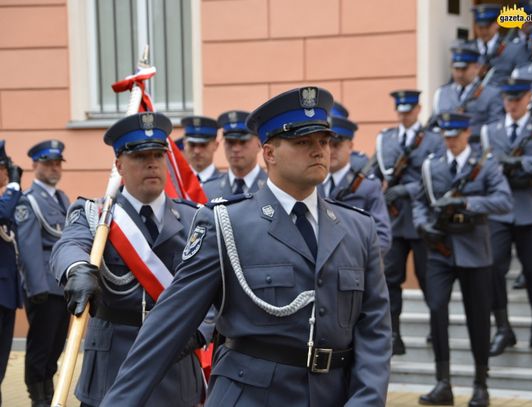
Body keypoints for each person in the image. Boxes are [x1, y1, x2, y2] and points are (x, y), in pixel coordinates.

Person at [101, 87, 392, 407]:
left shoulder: (357, 228)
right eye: (302, 142)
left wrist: (365, 401)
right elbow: (166, 329)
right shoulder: (225, 223)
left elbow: (374, 332)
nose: (319, 150)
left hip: (334, 395)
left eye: (323, 141)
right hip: (251, 396)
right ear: (269, 153)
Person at [50, 112, 206, 406]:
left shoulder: (195, 218)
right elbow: (68, 246)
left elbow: (217, 286)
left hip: (175, 359)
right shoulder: (95, 214)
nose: (151, 163)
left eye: (158, 155)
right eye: (140, 156)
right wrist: (77, 269)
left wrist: (198, 332)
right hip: (113, 365)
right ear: (119, 165)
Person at [413, 112, 512, 406]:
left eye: (455, 135)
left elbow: (504, 200)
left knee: (478, 318)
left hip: (474, 250)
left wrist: (468, 202)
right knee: (436, 309)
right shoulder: (432, 165)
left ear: (467, 132)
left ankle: (481, 384)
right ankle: (443, 383)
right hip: (439, 249)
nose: (451, 141)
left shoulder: (485, 164)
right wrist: (421, 225)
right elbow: (419, 200)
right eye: (446, 136)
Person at [375, 90, 444, 355]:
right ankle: (394, 334)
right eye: (401, 111)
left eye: (409, 110)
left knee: (429, 278)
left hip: (421, 218)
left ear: (418, 110)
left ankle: (435, 328)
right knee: (391, 279)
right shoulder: (387, 139)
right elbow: (377, 172)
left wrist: (407, 190)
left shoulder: (433, 140)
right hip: (394, 220)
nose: (405, 115)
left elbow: (436, 179)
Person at [481, 78, 532, 355]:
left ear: (528, 97)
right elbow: (486, 165)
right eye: (508, 99)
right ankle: (503, 327)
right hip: (501, 210)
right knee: (493, 269)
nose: (512, 104)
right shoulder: (490, 130)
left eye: (518, 99)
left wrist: (523, 163)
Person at [14, 140, 70, 406]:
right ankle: (38, 398)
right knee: (40, 347)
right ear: (35, 165)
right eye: (48, 163)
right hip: (45, 288)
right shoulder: (29, 202)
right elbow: (29, 246)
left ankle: (48, 392)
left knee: (56, 345)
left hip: (62, 286)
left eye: (57, 163)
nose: (53, 168)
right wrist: (37, 288)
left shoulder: (61, 198)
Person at [321, 115, 392, 254]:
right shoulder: (311, 184)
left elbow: (382, 237)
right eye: (326, 144)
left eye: (336, 144)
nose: (331, 151)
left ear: (350, 146)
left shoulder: (367, 186)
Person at [433, 42, 504, 141]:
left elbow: (495, 131)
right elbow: (434, 126)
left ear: (477, 67)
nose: (459, 74)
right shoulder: (441, 93)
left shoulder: (491, 93)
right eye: (456, 69)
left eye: (464, 69)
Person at [0, 141, 23, 406]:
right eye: (5, 168)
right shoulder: (6, 199)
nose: (7, 174)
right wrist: (15, 187)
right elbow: (4, 212)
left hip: (6, 294)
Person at [203, 110, 267, 199]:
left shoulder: (273, 187)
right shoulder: (208, 189)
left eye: (243, 142)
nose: (235, 149)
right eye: (230, 142)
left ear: (259, 143)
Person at [472, 3, 530, 86]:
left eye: (487, 27)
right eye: (480, 27)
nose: (483, 31)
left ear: (497, 24)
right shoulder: (468, 49)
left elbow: (524, 80)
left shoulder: (514, 49)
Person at [180, 115, 222, 183]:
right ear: (184, 144)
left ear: (216, 145)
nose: (197, 151)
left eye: (203, 145)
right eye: (192, 145)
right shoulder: (176, 184)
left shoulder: (227, 185)